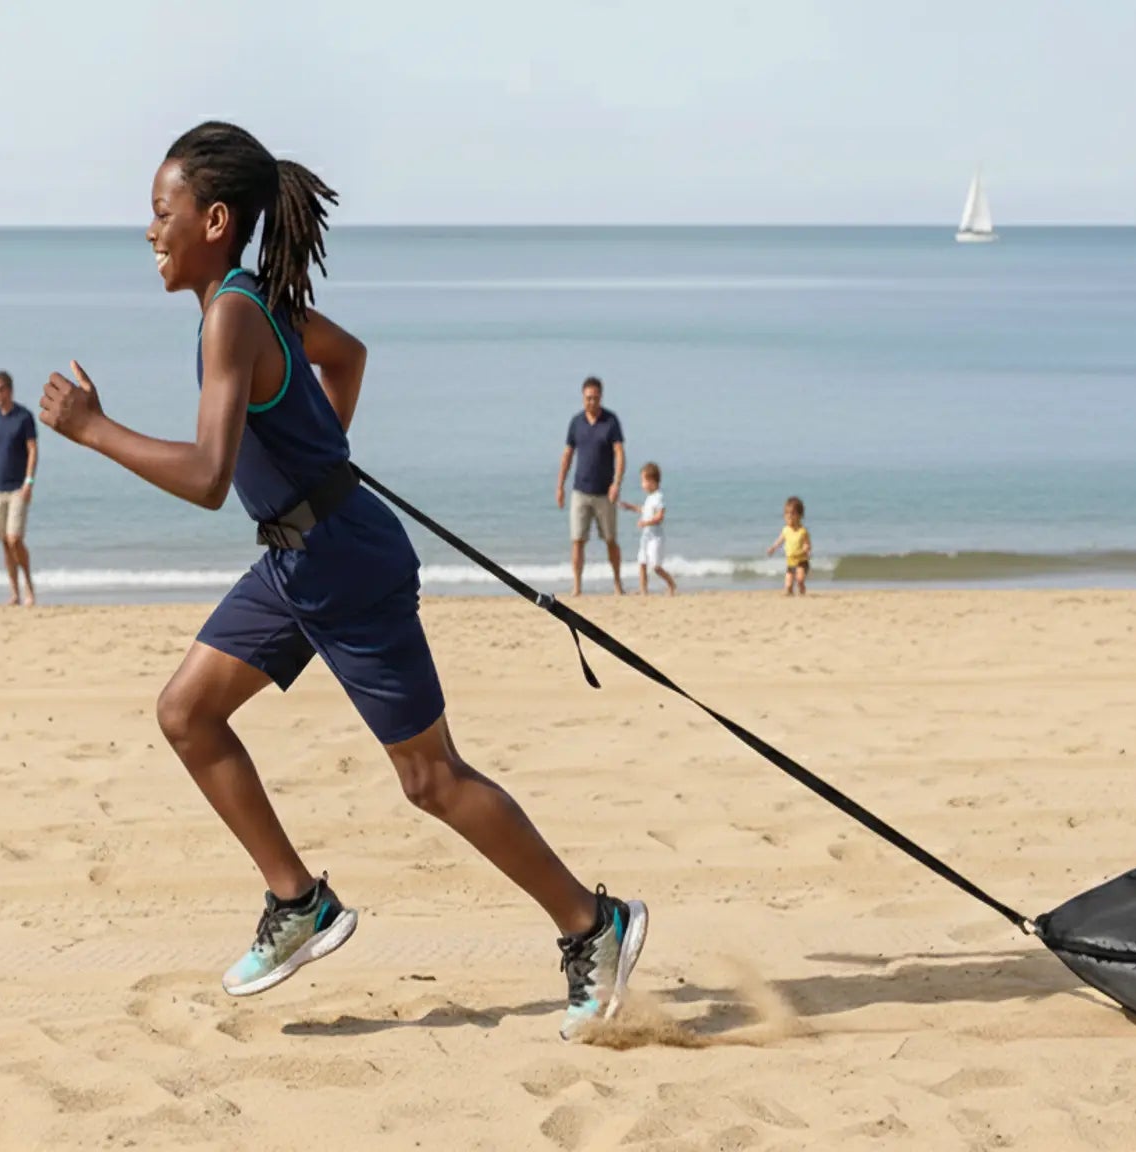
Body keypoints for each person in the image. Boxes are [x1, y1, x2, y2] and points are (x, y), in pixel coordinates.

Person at [34, 121, 647, 1040]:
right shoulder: (251, 302)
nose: (149, 232)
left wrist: (92, 429)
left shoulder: (234, 313)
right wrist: (319, 462)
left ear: (212, 220)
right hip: (298, 556)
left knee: (431, 778)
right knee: (187, 713)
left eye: (160, 214)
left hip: (342, 565)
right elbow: (348, 356)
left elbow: (207, 477)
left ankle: (594, 925)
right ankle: (300, 902)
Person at [554, 376, 625, 596]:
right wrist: (560, 486)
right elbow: (567, 455)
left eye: (595, 398)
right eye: (587, 398)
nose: (591, 402)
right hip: (580, 491)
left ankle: (617, 584)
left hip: (605, 493)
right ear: (582, 398)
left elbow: (620, 454)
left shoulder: (611, 421)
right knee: (577, 540)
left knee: (611, 540)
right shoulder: (576, 422)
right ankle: (577, 586)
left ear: (601, 397)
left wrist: (616, 483)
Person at [0, 371, 38, 606]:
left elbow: (32, 450)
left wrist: (29, 481)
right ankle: (14, 593)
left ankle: (29, 587)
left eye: (2, 389)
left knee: (14, 539)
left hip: (18, 488)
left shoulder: (24, 417)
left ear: (10, 390)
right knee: (4, 541)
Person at [619, 461, 675, 596]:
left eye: (643, 481)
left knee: (655, 566)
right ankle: (643, 590)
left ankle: (671, 584)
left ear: (652, 481)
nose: (642, 484)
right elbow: (644, 510)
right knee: (642, 562)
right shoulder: (649, 498)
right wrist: (630, 507)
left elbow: (660, 516)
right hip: (646, 536)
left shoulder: (659, 497)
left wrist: (646, 523)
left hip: (656, 537)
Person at [766, 495, 812, 596]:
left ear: (799, 515)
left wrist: (807, 548)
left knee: (799, 579)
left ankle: (802, 590)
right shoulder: (785, 530)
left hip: (801, 560)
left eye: (792, 513)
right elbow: (780, 540)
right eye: (786, 513)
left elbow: (807, 544)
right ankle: (790, 594)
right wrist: (773, 548)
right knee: (788, 585)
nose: (789, 516)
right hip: (791, 561)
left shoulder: (802, 531)